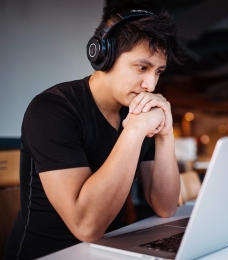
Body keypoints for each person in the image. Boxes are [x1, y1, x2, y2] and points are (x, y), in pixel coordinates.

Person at [4, 1, 185, 259]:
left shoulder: (136, 110)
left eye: (159, 71)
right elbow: (86, 226)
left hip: (107, 250)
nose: (151, 84)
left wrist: (166, 135)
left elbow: (166, 207)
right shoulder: (52, 109)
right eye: (142, 67)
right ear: (104, 55)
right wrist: (134, 131)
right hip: (49, 254)